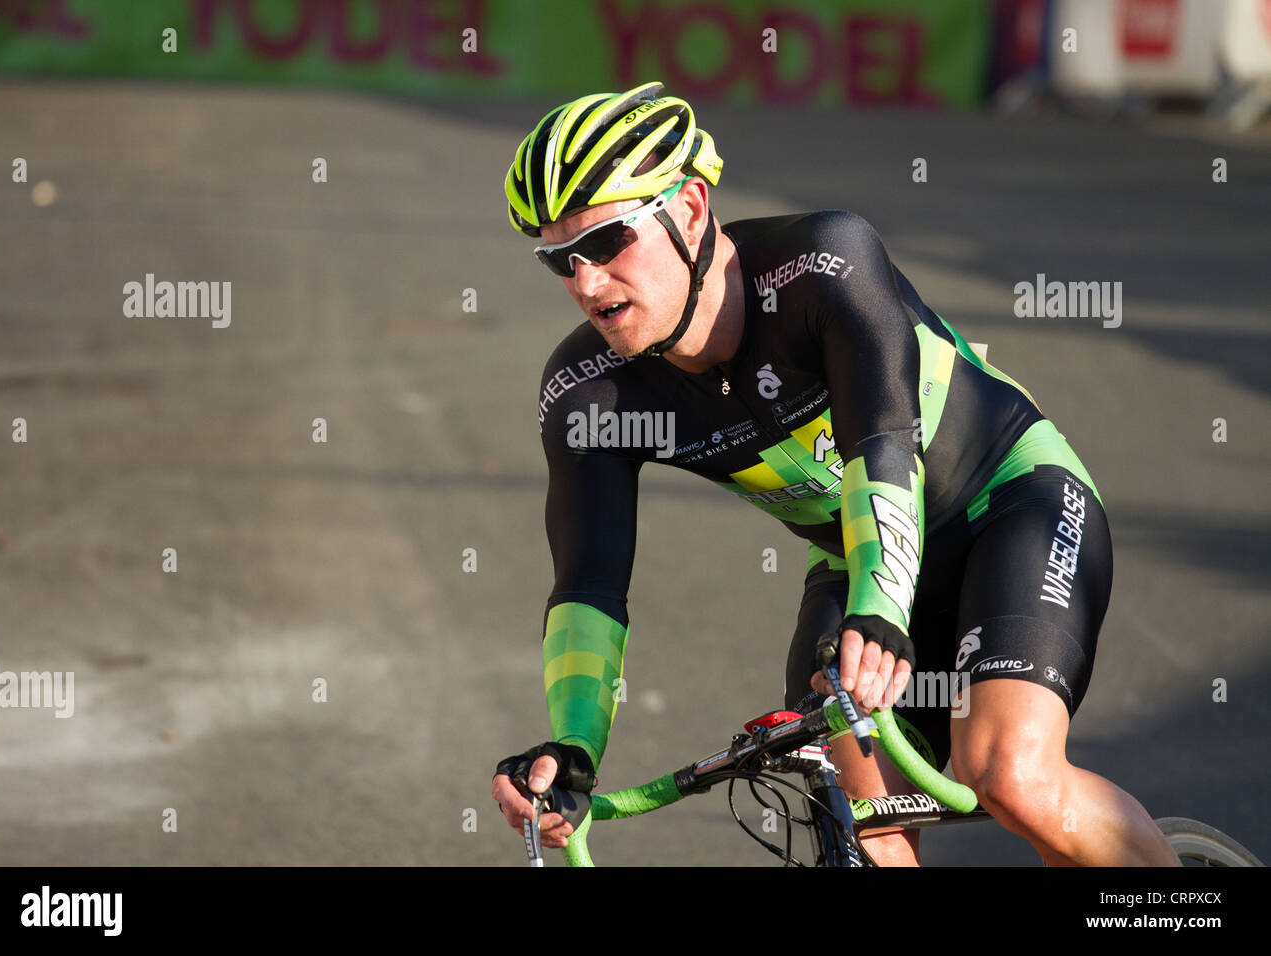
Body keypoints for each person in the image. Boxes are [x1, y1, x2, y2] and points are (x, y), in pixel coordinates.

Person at [490, 81, 1180, 866]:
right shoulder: (589, 391)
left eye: (609, 241)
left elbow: (881, 445)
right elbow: (589, 585)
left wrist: (879, 610)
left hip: (1009, 502)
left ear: (687, 210)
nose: (584, 283)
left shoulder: (823, 265)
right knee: (857, 823)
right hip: (857, 553)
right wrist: (573, 748)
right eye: (560, 259)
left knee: (1011, 778)